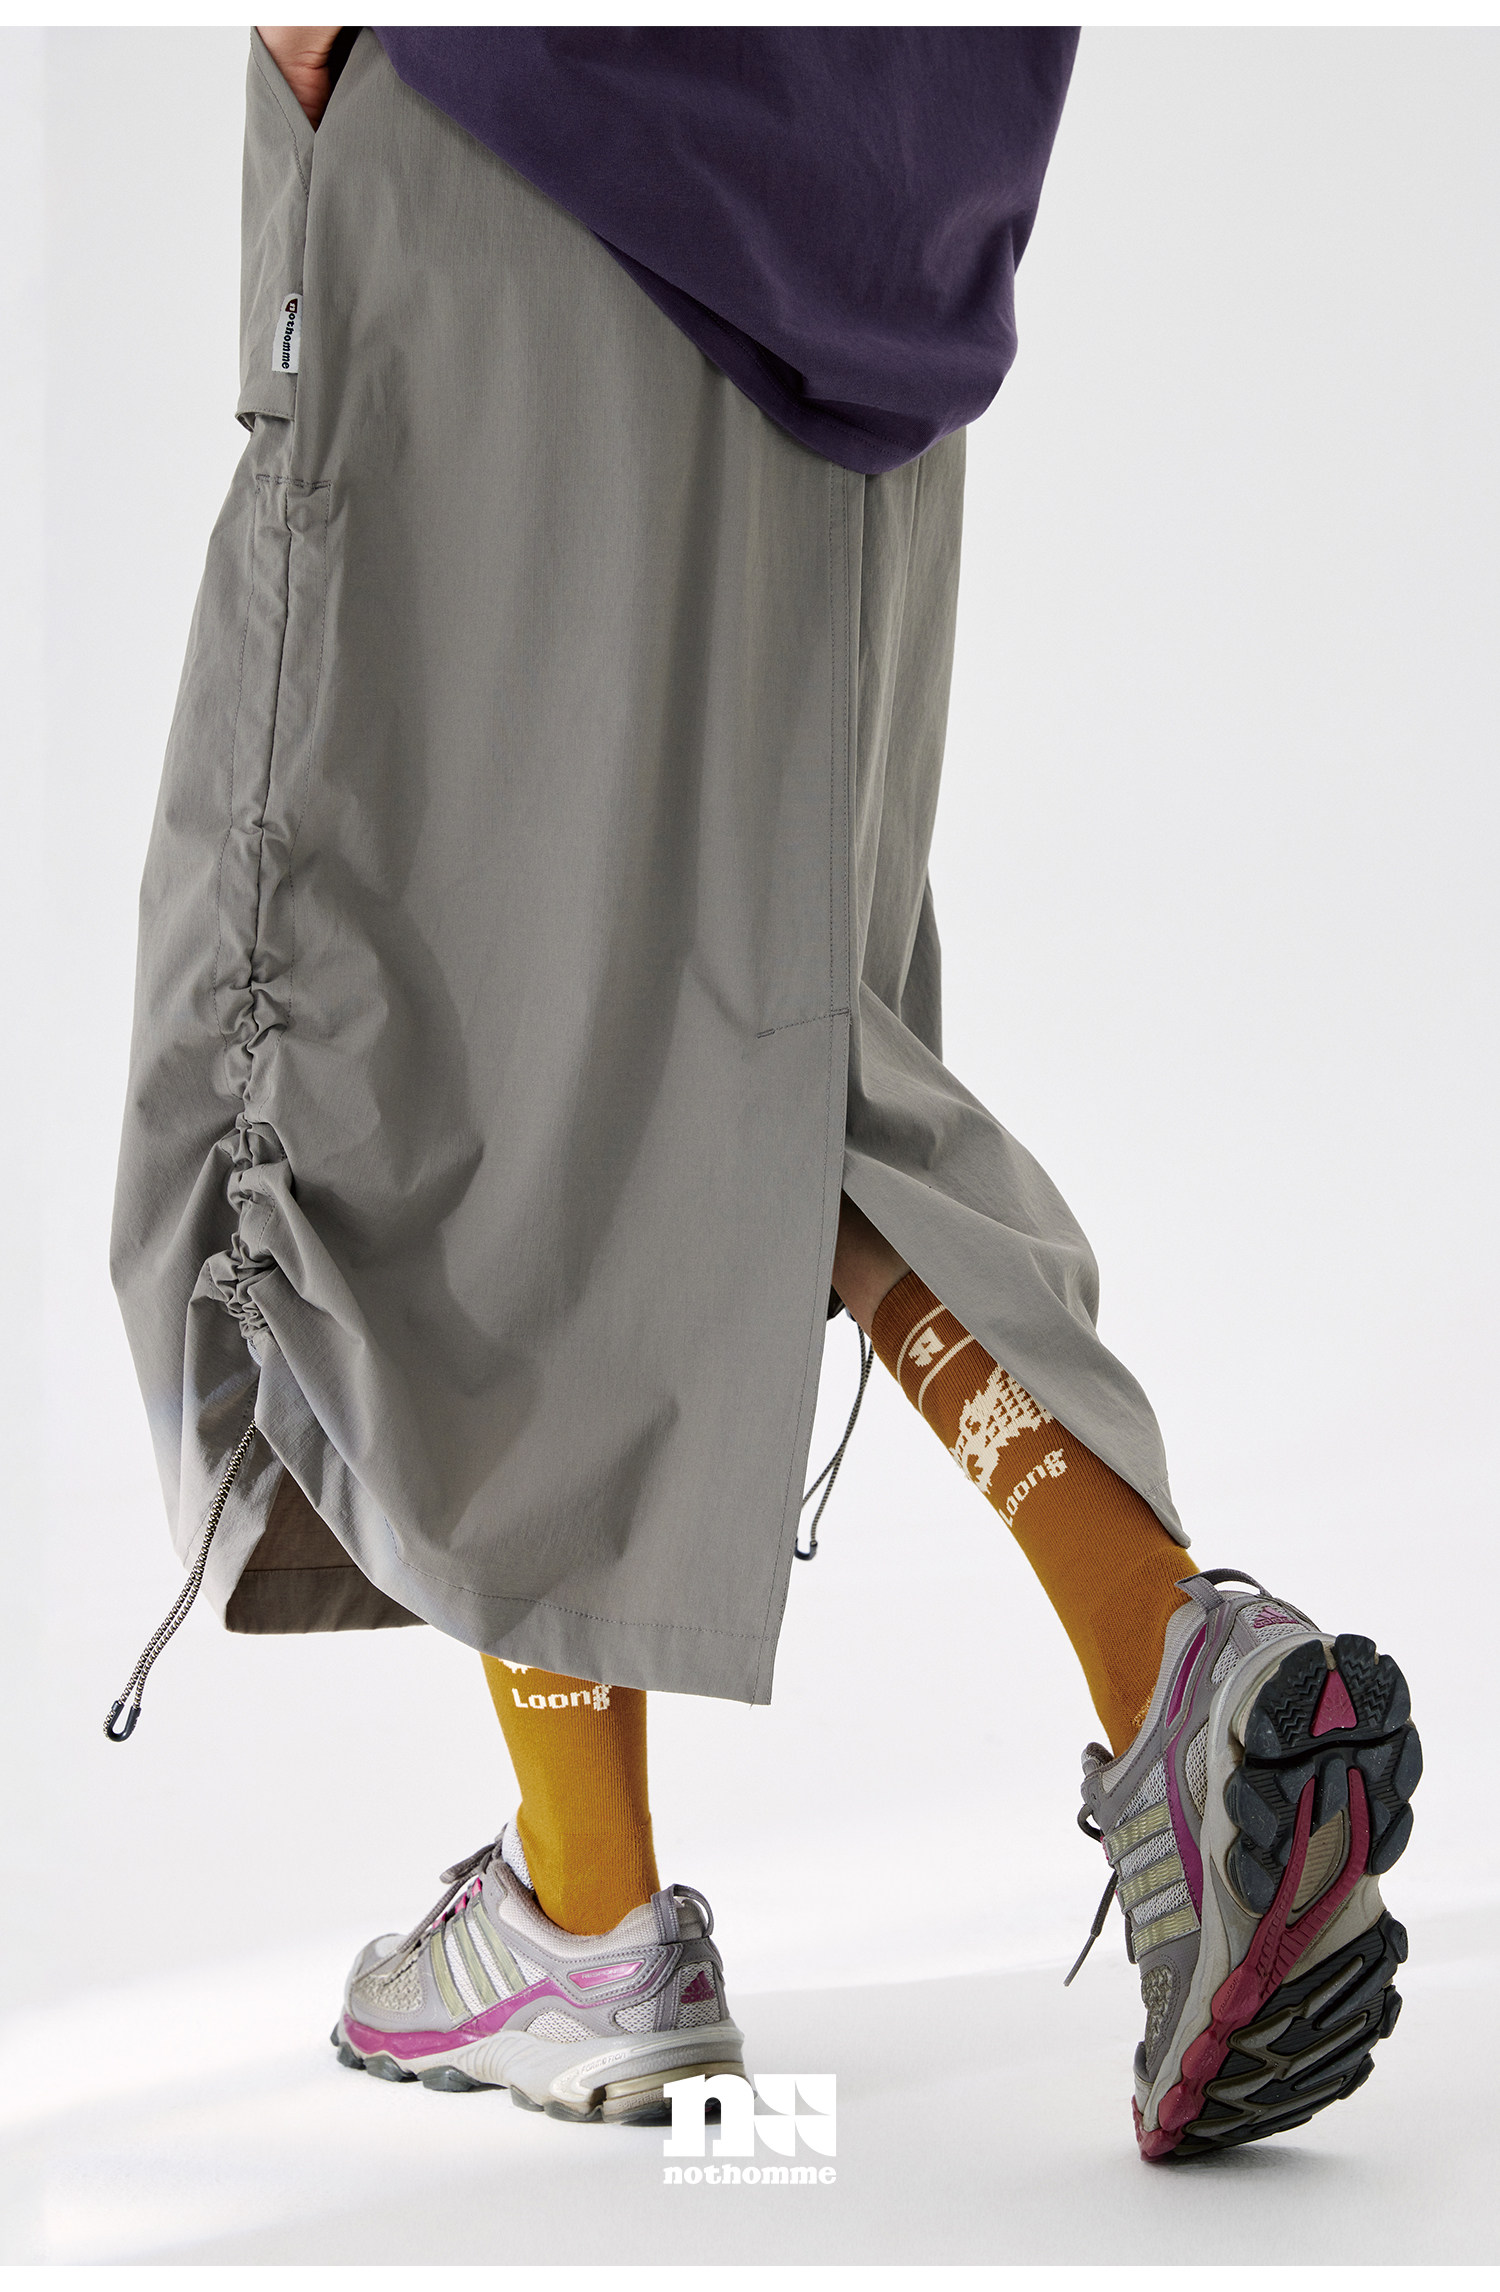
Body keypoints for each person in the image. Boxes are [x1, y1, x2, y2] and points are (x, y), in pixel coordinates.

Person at [108, 26, 1420, 2156]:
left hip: (515, 122)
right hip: (879, 172)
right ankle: (1171, 1665)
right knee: (764, 1023)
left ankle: (588, 1912)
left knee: (398, 1007)